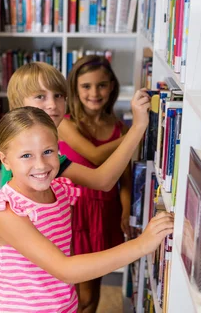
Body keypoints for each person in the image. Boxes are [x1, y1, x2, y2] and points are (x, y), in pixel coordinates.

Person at [0, 106, 174, 313]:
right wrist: (141, 245)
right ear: (5, 160)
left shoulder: (60, 192)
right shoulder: (4, 212)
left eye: (47, 151)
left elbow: (66, 253)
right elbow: (65, 269)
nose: (41, 165)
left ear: (58, 150)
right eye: (26, 156)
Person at [0, 62, 149, 194]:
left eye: (58, 95)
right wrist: (138, 126)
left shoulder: (32, 148)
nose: (52, 104)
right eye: (40, 96)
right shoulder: (40, 158)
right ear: (18, 104)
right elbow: (102, 181)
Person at [58, 56, 132, 313]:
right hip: (71, 213)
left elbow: (125, 176)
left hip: (105, 214)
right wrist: (135, 134)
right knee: (73, 294)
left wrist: (125, 210)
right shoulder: (64, 123)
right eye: (86, 86)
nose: (94, 93)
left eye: (101, 85)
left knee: (92, 292)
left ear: (112, 86)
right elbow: (95, 155)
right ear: (75, 89)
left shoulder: (119, 129)